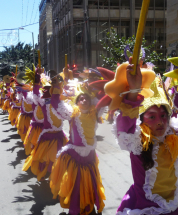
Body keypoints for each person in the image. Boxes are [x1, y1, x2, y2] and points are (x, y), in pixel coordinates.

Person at [113, 57, 178, 215]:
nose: (160, 121)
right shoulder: (138, 141)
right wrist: (134, 91)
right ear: (142, 120)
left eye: (163, 115)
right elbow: (125, 125)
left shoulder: (173, 135)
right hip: (146, 207)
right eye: (152, 116)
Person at [49, 74, 106, 215]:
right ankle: (76, 207)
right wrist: (56, 87)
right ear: (77, 102)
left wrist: (95, 83)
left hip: (90, 155)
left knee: (90, 183)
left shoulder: (95, 112)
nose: (83, 99)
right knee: (76, 184)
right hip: (75, 155)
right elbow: (57, 104)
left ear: (90, 100)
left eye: (86, 97)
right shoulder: (72, 113)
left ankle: (88, 204)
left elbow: (103, 97)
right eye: (80, 98)